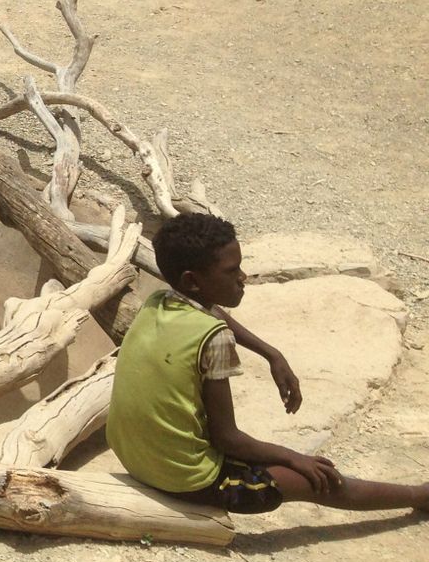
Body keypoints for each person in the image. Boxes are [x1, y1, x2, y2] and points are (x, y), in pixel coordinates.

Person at [107, 211, 428, 514]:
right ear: (193, 281)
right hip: (183, 478)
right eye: (232, 271)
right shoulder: (213, 337)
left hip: (132, 457)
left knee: (280, 459)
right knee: (318, 478)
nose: (243, 277)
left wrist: (271, 353)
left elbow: (211, 311)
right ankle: (419, 496)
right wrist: (295, 458)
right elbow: (227, 439)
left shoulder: (158, 301)